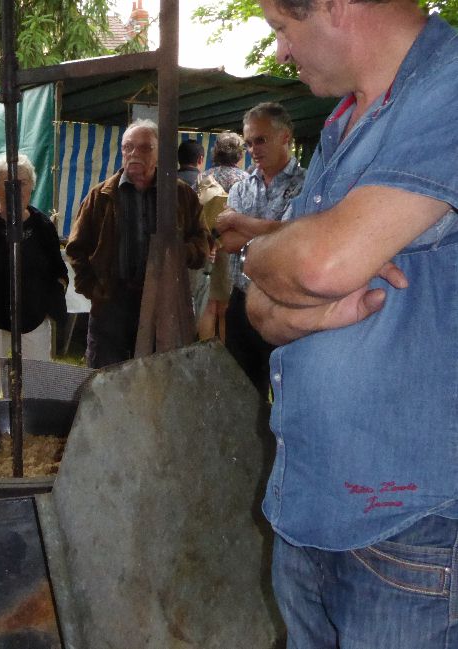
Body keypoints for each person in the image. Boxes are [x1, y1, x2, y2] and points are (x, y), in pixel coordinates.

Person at [242, 2, 458, 647]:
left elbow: (320, 263)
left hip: (407, 518)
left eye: (282, 27)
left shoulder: (448, 91)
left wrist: (264, 254)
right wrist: (275, 267)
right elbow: (261, 307)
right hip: (312, 498)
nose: (280, 51)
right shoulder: (347, 118)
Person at [65, 119, 207, 369]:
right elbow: (76, 247)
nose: (133, 154)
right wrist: (93, 289)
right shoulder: (102, 196)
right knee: (105, 379)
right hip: (112, 304)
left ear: (159, 152)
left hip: (162, 305)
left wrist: (177, 252)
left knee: (158, 377)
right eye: (127, 147)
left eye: (143, 148)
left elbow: (202, 243)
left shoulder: (180, 194)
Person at [215, 102, 304, 395]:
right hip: (241, 301)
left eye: (261, 139)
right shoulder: (242, 186)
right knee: (241, 391)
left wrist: (238, 220)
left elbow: (292, 235)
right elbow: (228, 242)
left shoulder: (306, 184)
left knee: (286, 393)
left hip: (284, 301)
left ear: (285, 137)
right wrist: (272, 232)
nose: (254, 148)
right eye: (249, 142)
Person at [0, 154, 68, 398]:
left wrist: (51, 297)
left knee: (37, 380)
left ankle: (35, 430)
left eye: (22, 183)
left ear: (31, 186)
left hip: (32, 316)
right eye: (8, 183)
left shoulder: (42, 227)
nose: (16, 189)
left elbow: (57, 269)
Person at [196, 132, 248, 342]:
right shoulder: (244, 179)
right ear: (239, 155)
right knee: (226, 304)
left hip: (206, 245)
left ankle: (205, 348)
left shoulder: (204, 177)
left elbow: (195, 211)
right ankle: (225, 352)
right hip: (230, 247)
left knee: (209, 303)